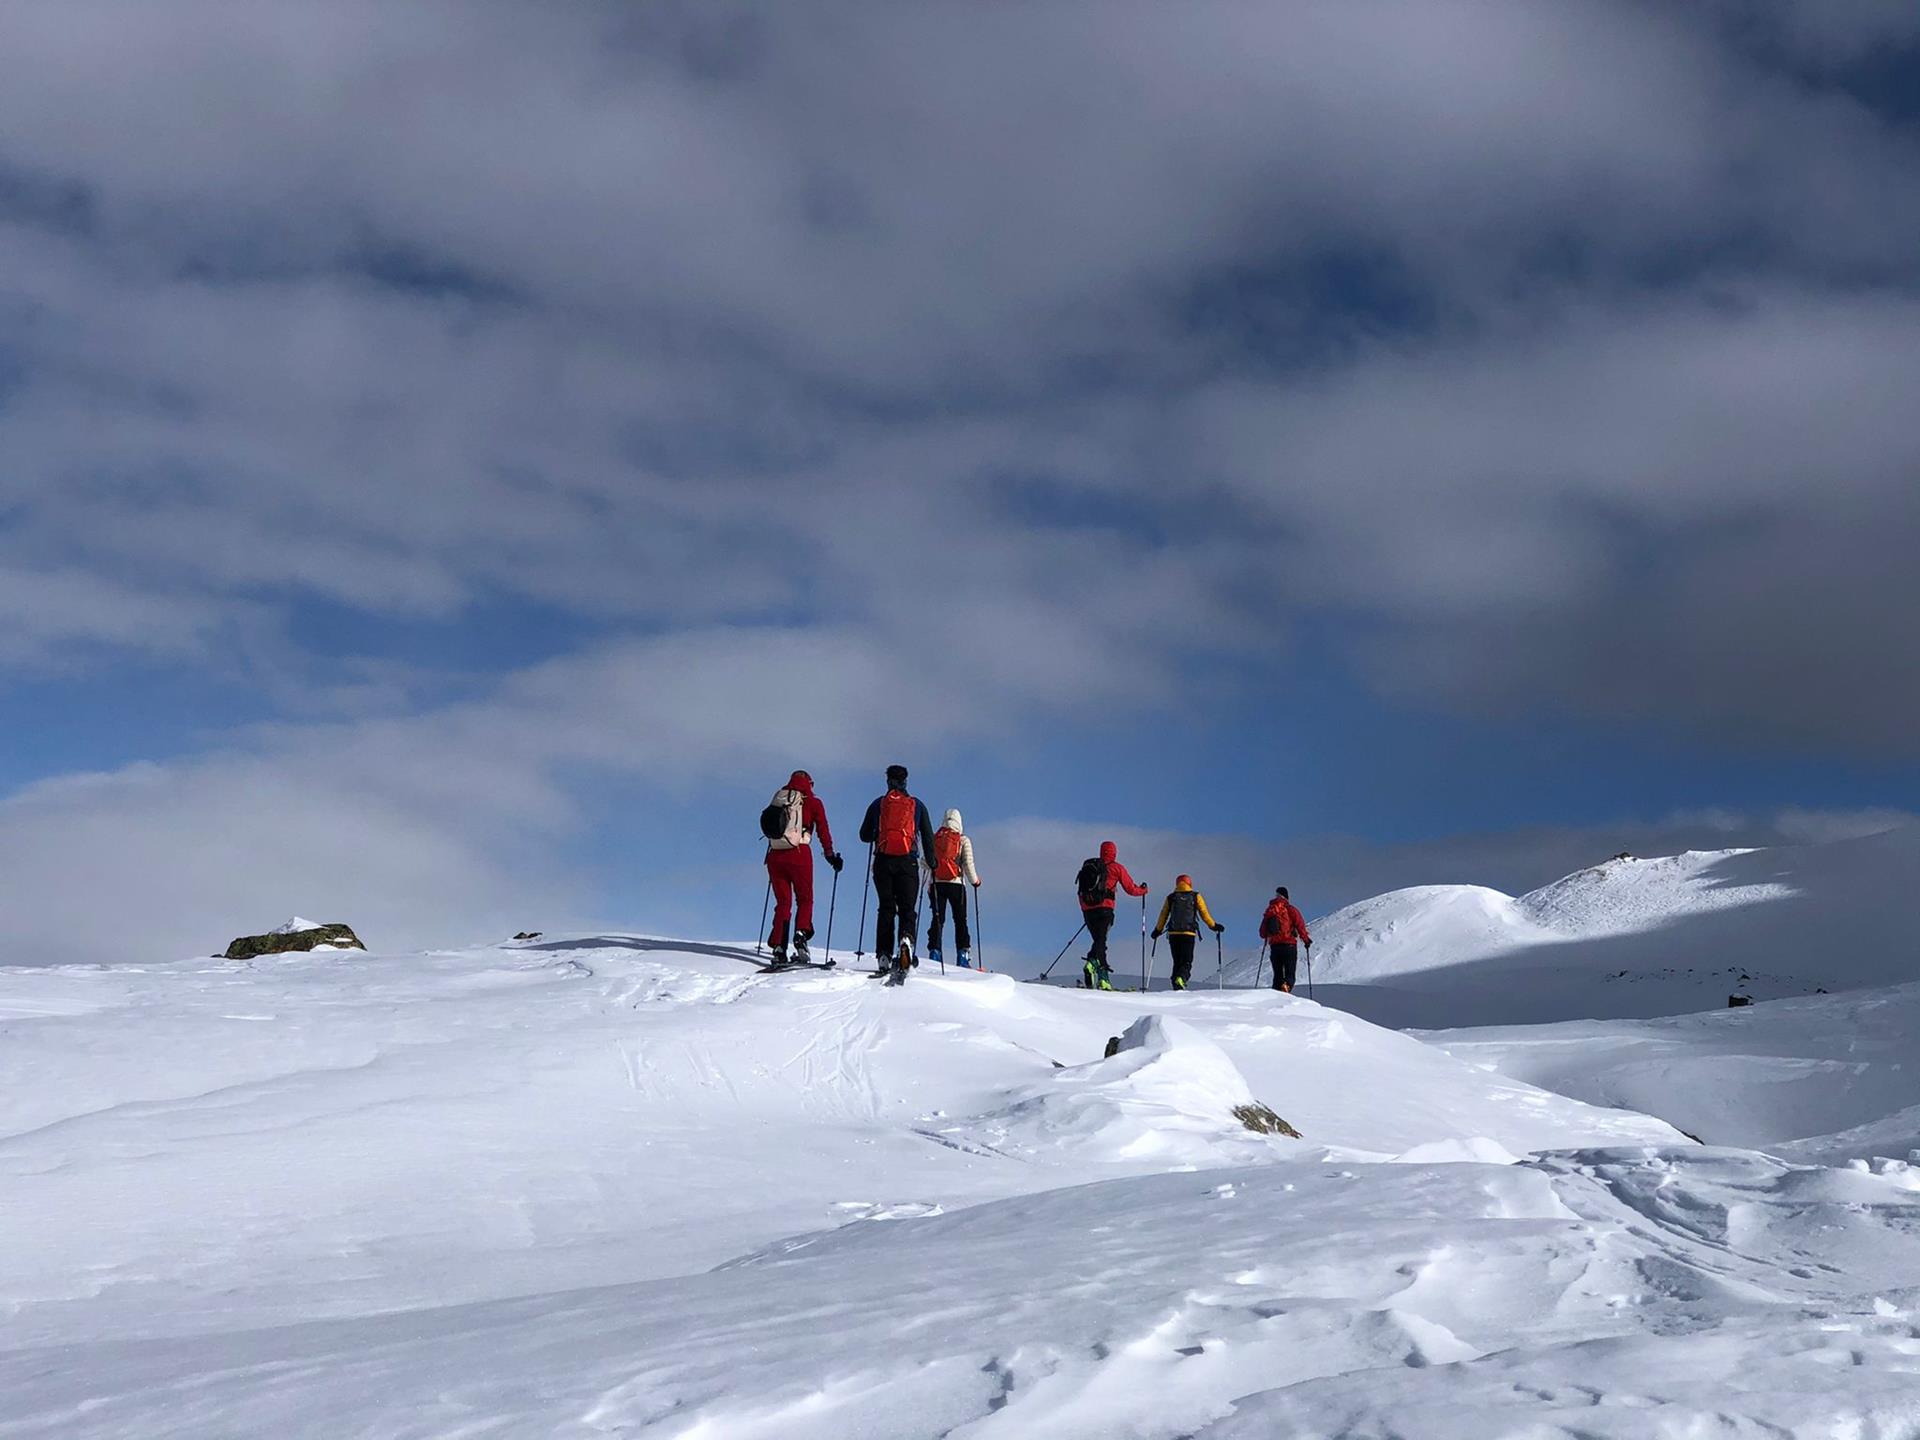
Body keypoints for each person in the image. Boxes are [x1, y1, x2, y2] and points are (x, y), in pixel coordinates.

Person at [858, 764, 936, 970]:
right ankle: (906, 940)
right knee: (907, 908)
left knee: (886, 907)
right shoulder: (917, 805)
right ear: (905, 781)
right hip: (908, 862)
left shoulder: (878, 804)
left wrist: (877, 833)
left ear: (888, 781)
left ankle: (884, 954)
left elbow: (863, 835)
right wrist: (933, 863)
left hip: (883, 861)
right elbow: (928, 838)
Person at [763, 770, 842, 963]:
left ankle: (779, 946)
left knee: (783, 903)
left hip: (775, 855)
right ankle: (801, 934)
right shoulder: (813, 803)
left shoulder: (779, 798)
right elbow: (823, 830)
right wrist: (830, 856)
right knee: (805, 899)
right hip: (800, 854)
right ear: (809, 784)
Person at [1077, 840, 1148, 990]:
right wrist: (1143, 891)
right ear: (1114, 852)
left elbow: (1080, 891)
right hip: (1105, 909)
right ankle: (1101, 977)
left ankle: (1093, 964)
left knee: (1099, 941)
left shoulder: (1090, 866)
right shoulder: (1116, 868)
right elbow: (1130, 889)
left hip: (1088, 910)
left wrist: (1086, 908)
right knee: (1101, 941)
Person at [927, 808, 982, 967]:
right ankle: (962, 956)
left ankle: (934, 953)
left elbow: (926, 861)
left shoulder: (935, 838)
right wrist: (975, 881)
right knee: (960, 920)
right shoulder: (963, 840)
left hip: (937, 884)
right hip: (957, 884)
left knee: (938, 919)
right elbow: (968, 864)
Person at [1151, 874, 1224, 990]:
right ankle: (1181, 979)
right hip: (1188, 934)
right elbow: (1204, 913)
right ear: (1189, 883)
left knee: (1177, 961)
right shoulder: (1195, 896)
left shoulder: (1171, 897)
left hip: (1173, 934)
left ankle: (1176, 985)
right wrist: (1214, 926)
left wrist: (1157, 930)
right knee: (1186, 961)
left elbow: (1163, 915)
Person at [1260, 885, 1312, 994]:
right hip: (1289, 946)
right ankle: (1286, 987)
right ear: (1286, 897)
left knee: (1277, 976)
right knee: (1290, 975)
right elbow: (1300, 926)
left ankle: (1275, 997)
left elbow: (1262, 933)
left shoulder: (1270, 911)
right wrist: (1306, 940)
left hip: (1275, 947)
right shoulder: (1291, 909)